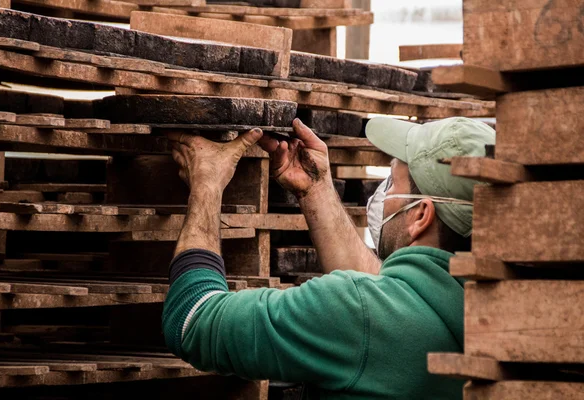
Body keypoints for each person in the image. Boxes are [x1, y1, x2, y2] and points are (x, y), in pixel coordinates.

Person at [162, 116, 495, 399]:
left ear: (420, 216)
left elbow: (193, 320)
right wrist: (315, 188)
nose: (386, 193)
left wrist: (207, 185)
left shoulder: (357, 314)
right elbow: (386, 302)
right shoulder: (491, 316)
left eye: (394, 182)